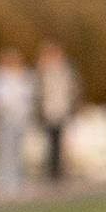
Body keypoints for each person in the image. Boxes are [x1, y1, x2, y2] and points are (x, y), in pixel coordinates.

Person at [0, 45, 37, 196]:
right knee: (5, 152)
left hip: (20, 118)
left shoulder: (24, 75)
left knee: (18, 151)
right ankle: (4, 183)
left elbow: (29, 96)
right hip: (4, 119)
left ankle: (17, 182)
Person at [34, 39, 79, 181]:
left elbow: (73, 89)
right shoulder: (42, 72)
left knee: (62, 142)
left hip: (62, 109)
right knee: (50, 142)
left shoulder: (66, 70)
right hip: (48, 110)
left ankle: (61, 172)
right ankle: (51, 173)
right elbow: (38, 92)